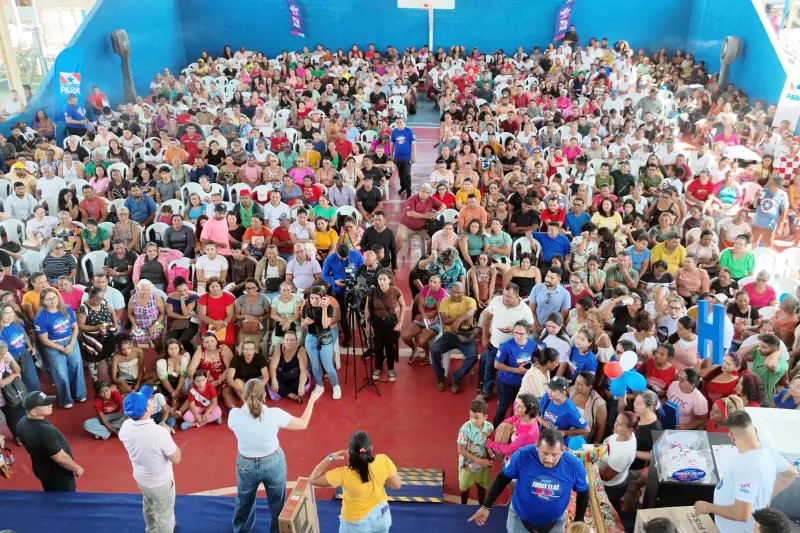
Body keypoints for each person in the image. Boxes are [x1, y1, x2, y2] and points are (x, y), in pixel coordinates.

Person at [228, 379, 324, 533]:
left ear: (243, 396)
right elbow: (303, 423)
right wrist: (312, 400)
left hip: (246, 465)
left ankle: (241, 529)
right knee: (277, 503)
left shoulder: (233, 415)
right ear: (264, 396)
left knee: (244, 501)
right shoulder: (274, 414)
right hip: (273, 463)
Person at [694, 412, 798, 533]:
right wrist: (767, 497)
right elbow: (790, 473)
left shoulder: (746, 465)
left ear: (731, 436)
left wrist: (708, 507)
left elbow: (741, 514)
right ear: (755, 431)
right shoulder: (768, 452)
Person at [469, 428, 589, 533]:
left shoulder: (575, 465)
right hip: (519, 521)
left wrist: (579, 520)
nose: (549, 459)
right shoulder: (522, 455)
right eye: (545, 453)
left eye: (554, 455)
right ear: (537, 446)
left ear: (562, 450)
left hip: (555, 525)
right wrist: (486, 506)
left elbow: (583, 490)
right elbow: (503, 477)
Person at [308, 430, 402, 532]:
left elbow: (313, 479)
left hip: (355, 525)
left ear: (349, 452)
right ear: (371, 447)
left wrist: (330, 457)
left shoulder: (343, 474)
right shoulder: (383, 460)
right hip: (381, 517)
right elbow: (396, 485)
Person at [119, 385, 182, 533]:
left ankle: (151, 529)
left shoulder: (125, 427)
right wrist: (167, 434)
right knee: (164, 514)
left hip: (141, 478)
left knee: (149, 504)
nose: (151, 400)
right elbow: (176, 458)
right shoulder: (159, 433)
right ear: (148, 409)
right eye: (148, 400)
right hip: (161, 482)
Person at [16, 391, 84, 491]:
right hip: (58, 475)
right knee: (65, 498)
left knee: (50, 492)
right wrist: (76, 467)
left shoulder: (22, 422)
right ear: (34, 412)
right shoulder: (46, 431)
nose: (50, 405)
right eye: (45, 404)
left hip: (41, 467)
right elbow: (60, 458)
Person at [480, 283, 534, 397]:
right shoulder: (496, 301)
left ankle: (507, 393)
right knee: (489, 368)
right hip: (494, 343)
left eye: (508, 296)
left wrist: (513, 329)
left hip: (512, 348)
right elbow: (487, 318)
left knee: (509, 370)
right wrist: (484, 338)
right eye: (504, 295)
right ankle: (486, 390)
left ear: (517, 296)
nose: (504, 298)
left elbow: (531, 328)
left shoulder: (525, 309)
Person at [35, 288, 85, 408]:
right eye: (48, 299)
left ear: (58, 297)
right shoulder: (41, 317)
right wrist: (62, 348)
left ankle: (79, 394)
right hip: (53, 345)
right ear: (43, 301)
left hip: (70, 340)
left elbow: (75, 327)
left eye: (54, 297)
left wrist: (71, 344)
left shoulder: (67, 309)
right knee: (60, 373)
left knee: (76, 367)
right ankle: (65, 400)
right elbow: (44, 340)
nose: (52, 301)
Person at [430, 281, 478, 393]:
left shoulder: (470, 300)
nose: (455, 295)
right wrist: (462, 318)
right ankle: (440, 376)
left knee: (473, 357)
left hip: (466, 335)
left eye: (458, 293)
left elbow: (471, 311)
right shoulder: (445, 301)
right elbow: (445, 320)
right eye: (453, 292)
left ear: (464, 292)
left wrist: (457, 321)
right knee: (434, 350)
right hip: (450, 335)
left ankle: (457, 377)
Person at [493, 320, 537, 427]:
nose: (518, 336)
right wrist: (517, 370)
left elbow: (535, 360)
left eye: (521, 334)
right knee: (502, 408)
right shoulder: (505, 346)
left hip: (523, 384)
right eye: (515, 333)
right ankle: (496, 429)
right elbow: (497, 365)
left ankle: (514, 429)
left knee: (518, 408)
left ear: (527, 333)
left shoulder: (532, 344)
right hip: (506, 383)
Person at [301, 285, 341, 399]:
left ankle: (335, 385)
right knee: (315, 365)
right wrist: (305, 323)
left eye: (317, 298)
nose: (314, 301)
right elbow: (302, 324)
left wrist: (324, 308)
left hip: (325, 338)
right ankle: (319, 385)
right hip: (311, 338)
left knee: (328, 365)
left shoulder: (329, 307)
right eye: (312, 298)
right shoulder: (306, 306)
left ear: (323, 298)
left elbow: (325, 324)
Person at [598, 411, 639, 513]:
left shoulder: (622, 454)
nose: (615, 425)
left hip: (610, 486)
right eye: (616, 421)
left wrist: (589, 465)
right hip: (615, 475)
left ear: (630, 430)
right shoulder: (624, 434)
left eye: (620, 424)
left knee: (608, 509)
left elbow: (606, 476)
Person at [457, 397, 495, 505]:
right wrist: (479, 461)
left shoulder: (490, 428)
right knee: (464, 488)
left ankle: (481, 506)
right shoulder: (465, 429)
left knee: (482, 487)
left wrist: (491, 457)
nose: (473, 420)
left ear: (485, 417)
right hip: (467, 465)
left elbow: (490, 445)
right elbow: (461, 450)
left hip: (484, 465)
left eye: (477, 418)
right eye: (471, 416)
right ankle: (463, 506)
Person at [391, 117, 416, 197]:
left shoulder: (409, 131)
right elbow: (392, 144)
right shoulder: (394, 132)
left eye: (400, 122)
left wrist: (414, 156)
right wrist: (391, 155)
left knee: (407, 174)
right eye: (397, 122)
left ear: (404, 122)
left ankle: (409, 191)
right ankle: (403, 187)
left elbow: (413, 144)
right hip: (397, 157)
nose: (399, 124)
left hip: (407, 158)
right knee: (400, 174)